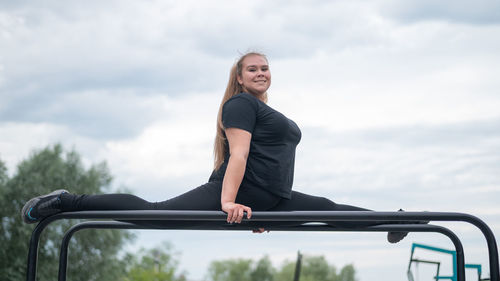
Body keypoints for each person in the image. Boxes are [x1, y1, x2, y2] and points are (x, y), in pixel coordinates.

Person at [22, 52, 418, 243]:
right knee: (152, 214)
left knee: (328, 210)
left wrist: (262, 211)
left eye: (265, 68)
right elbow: (240, 155)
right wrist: (229, 203)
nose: (261, 72)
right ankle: (67, 201)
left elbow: (275, 159)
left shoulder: (266, 111)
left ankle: (393, 220)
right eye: (252, 69)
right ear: (240, 79)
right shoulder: (240, 104)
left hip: (268, 196)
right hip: (237, 191)